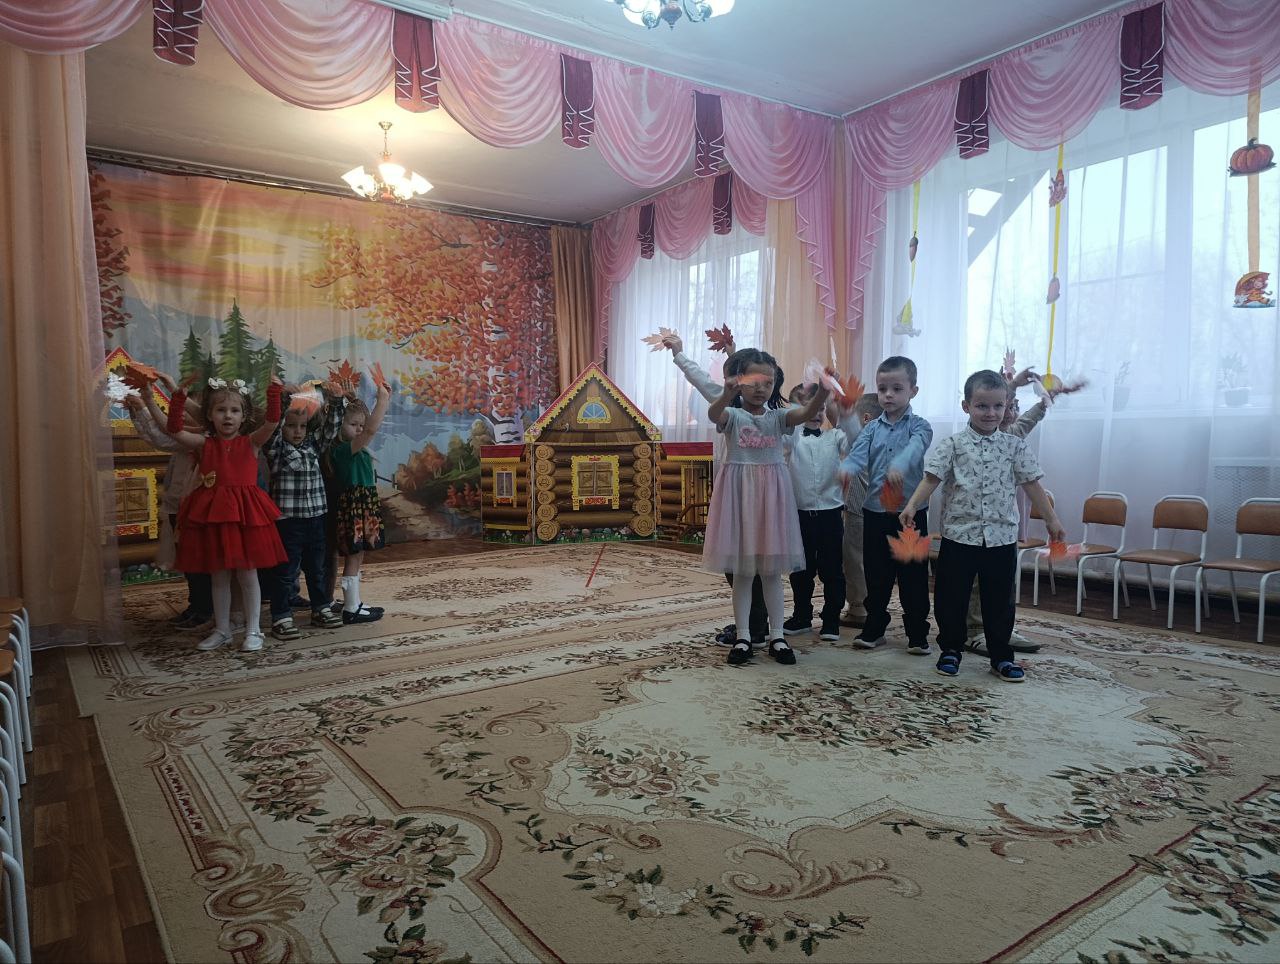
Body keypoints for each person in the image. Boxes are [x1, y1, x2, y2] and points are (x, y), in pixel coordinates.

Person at [899, 369, 1066, 682]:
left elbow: (1032, 484)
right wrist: (911, 505)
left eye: (998, 406)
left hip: (1001, 538)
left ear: (1006, 406)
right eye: (982, 406)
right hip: (959, 536)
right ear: (966, 406)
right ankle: (951, 649)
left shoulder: (1014, 446)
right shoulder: (953, 445)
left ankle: (1001, 657)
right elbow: (931, 479)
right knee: (952, 598)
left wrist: (1052, 520)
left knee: (999, 600)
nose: (991, 413)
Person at [703, 349, 832, 666]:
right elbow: (714, 414)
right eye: (754, 381)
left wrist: (823, 391)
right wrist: (726, 394)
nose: (761, 388)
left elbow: (804, 413)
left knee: (772, 573)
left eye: (768, 382)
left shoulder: (778, 418)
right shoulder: (733, 416)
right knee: (744, 572)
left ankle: (777, 636)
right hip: (740, 500)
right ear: (739, 382)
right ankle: (744, 636)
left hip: (772, 502)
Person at [163, 374, 288, 653]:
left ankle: (253, 630)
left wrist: (274, 392)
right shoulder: (203, 444)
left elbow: (272, 422)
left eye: (234, 410)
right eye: (221, 410)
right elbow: (174, 430)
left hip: (244, 515)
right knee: (218, 575)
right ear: (210, 415)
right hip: (215, 515)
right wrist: (178, 397)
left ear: (244, 416)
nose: (228, 416)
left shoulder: (251, 442)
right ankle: (222, 630)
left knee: (247, 574)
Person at [663, 333, 769, 646]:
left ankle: (756, 625)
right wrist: (680, 354)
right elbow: (700, 379)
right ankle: (751, 622)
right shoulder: (728, 404)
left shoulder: (767, 410)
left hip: (759, 495)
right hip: (734, 492)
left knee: (750, 563)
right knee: (735, 561)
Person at [838, 356, 933, 655]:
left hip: (909, 516)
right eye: (882, 389)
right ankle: (875, 627)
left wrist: (900, 464)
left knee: (912, 577)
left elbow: (916, 448)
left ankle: (917, 633)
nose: (888, 395)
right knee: (876, 575)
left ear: (913, 391)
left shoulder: (920, 426)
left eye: (896, 389)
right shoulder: (871, 429)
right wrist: (846, 469)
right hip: (875, 513)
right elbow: (857, 454)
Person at [965, 369, 1047, 656]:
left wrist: (1045, 401)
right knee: (978, 581)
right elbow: (993, 401)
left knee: (1002, 580)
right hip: (977, 526)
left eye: (1010, 407)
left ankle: (999, 628)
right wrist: (1012, 384)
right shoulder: (983, 435)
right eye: (1005, 406)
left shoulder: (1012, 438)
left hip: (1004, 524)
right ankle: (974, 630)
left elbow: (1028, 419)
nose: (1007, 412)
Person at [263, 384, 349, 640]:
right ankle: (281, 616)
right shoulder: (277, 449)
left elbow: (331, 429)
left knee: (316, 569)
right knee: (285, 572)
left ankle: (320, 608)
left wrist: (336, 401)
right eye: (291, 426)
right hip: (288, 522)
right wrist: (283, 399)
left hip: (316, 518)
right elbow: (273, 427)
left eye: (302, 426)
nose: (297, 431)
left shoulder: (313, 445)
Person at [127, 384, 212, 630]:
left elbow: (161, 436)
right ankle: (196, 605)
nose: (183, 413)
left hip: (198, 508)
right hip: (179, 506)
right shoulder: (184, 437)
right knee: (188, 560)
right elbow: (158, 436)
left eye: (189, 409)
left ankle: (205, 608)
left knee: (200, 562)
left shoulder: (200, 439)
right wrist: (138, 410)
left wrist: (144, 408)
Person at [782, 382, 848, 642]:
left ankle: (831, 619)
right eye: (809, 407)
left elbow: (854, 440)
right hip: (799, 515)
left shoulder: (835, 437)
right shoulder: (792, 438)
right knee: (801, 569)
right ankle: (801, 615)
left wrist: (840, 408)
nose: (816, 413)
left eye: (820, 408)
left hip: (831, 515)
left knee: (832, 570)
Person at [329, 376, 391, 623]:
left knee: (359, 554)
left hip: (364, 506)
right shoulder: (343, 450)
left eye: (361, 425)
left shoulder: (359, 451)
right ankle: (351, 608)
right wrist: (383, 400)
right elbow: (371, 430)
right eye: (353, 424)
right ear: (339, 424)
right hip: (354, 509)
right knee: (353, 556)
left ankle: (354, 603)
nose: (359, 430)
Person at [837, 392, 882, 629]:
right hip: (883, 511)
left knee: (854, 560)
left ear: (864, 419)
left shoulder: (863, 441)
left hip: (858, 510)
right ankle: (873, 604)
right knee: (874, 561)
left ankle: (858, 608)